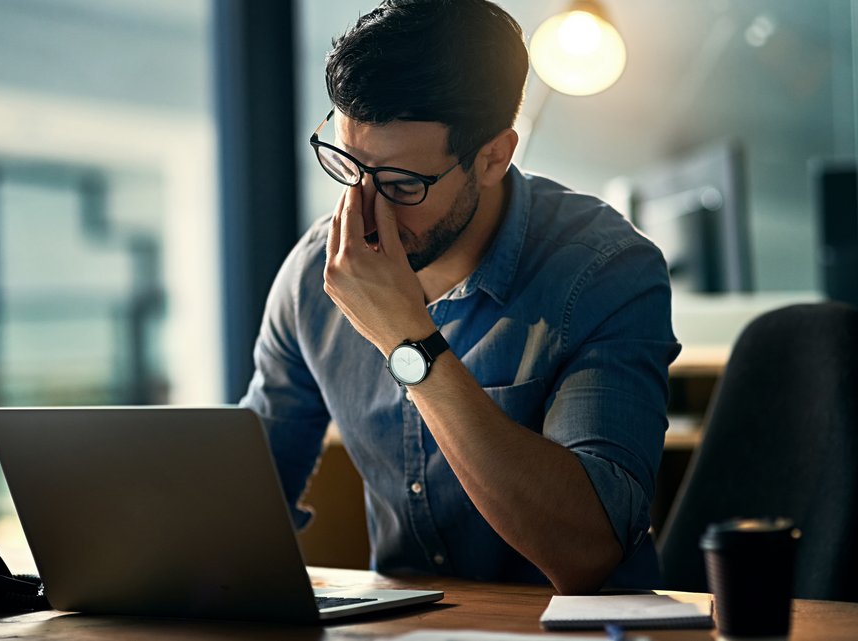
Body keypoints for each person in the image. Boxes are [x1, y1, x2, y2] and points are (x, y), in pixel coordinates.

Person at [241, 0, 680, 594]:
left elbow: (588, 551)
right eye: (347, 166)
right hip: (398, 631)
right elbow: (246, 497)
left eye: (401, 185)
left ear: (494, 156)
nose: (365, 212)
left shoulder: (604, 270)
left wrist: (405, 339)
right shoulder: (314, 275)